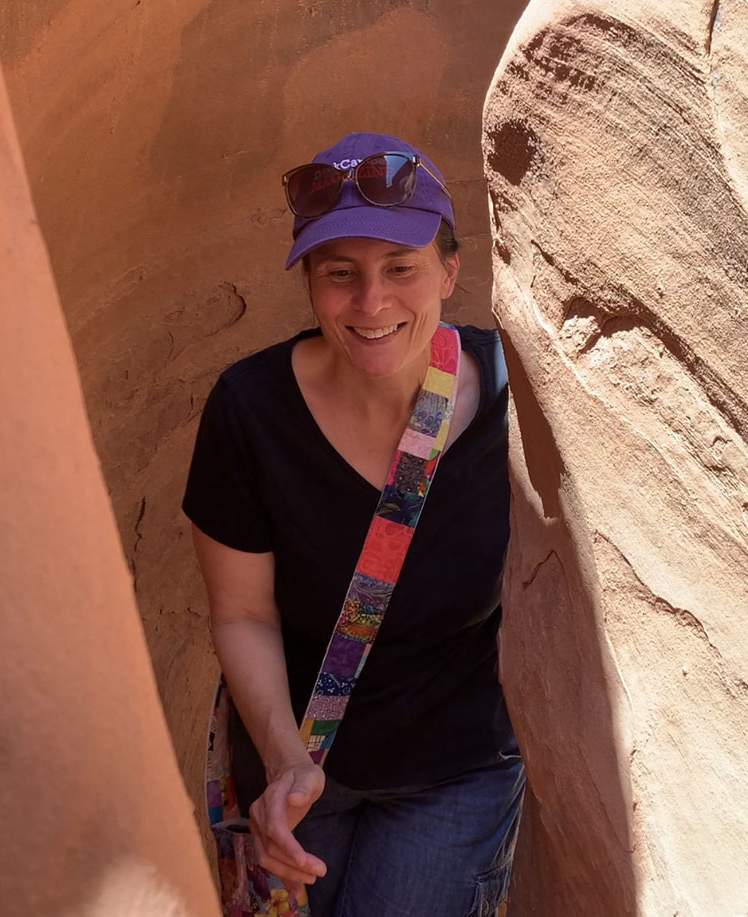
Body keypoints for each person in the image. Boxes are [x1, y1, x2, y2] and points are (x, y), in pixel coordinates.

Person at [183, 131, 525, 916]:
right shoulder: (250, 411)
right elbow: (241, 612)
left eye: (400, 269)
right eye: (340, 274)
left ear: (449, 271)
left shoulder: (515, 395)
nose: (370, 303)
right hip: (297, 771)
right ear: (310, 282)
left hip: (456, 769)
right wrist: (283, 762)